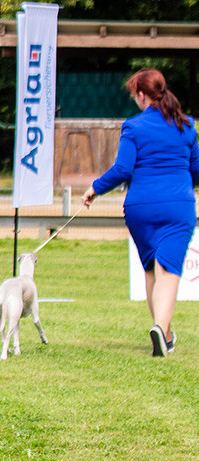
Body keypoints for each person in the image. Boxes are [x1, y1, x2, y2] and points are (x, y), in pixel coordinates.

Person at [84, 68, 199, 357]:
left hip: (140, 208)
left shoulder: (133, 127)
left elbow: (123, 169)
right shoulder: (188, 126)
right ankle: (162, 329)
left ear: (141, 95)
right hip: (177, 206)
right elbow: (196, 170)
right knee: (168, 269)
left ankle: (164, 332)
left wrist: (95, 189)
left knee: (150, 269)